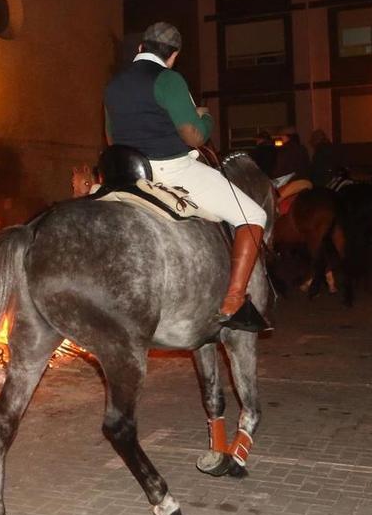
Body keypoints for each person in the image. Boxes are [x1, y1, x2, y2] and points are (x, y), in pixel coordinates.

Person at [103, 21, 270, 332]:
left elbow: (111, 137)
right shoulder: (169, 79)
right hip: (170, 171)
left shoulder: (113, 85)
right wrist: (205, 120)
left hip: (125, 174)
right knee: (253, 215)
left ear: (141, 48)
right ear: (174, 55)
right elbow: (193, 137)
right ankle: (234, 301)